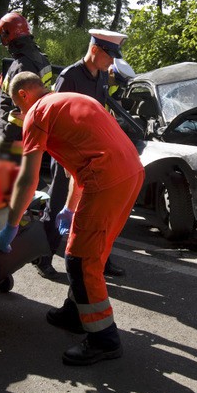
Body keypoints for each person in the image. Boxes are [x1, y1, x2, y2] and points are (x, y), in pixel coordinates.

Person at [0, 72, 144, 366]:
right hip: (131, 174)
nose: (20, 112)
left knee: (80, 259)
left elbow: (28, 178)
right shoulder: (72, 100)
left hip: (105, 179)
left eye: (17, 104)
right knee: (92, 251)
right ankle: (76, 312)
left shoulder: (37, 113)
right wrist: (69, 208)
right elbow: (74, 168)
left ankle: (104, 339)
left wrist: (11, 225)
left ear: (24, 95)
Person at [34, 29, 130, 279]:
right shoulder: (70, 76)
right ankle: (43, 257)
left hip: (93, 153)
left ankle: (101, 258)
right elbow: (55, 117)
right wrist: (66, 160)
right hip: (68, 152)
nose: (112, 62)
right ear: (95, 50)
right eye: (109, 56)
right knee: (57, 204)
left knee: (97, 209)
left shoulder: (100, 77)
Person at [0, 12, 53, 161]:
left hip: (13, 137)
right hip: (31, 133)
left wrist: (4, 141)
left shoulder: (21, 66)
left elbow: (20, 109)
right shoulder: (42, 60)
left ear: (7, 34)